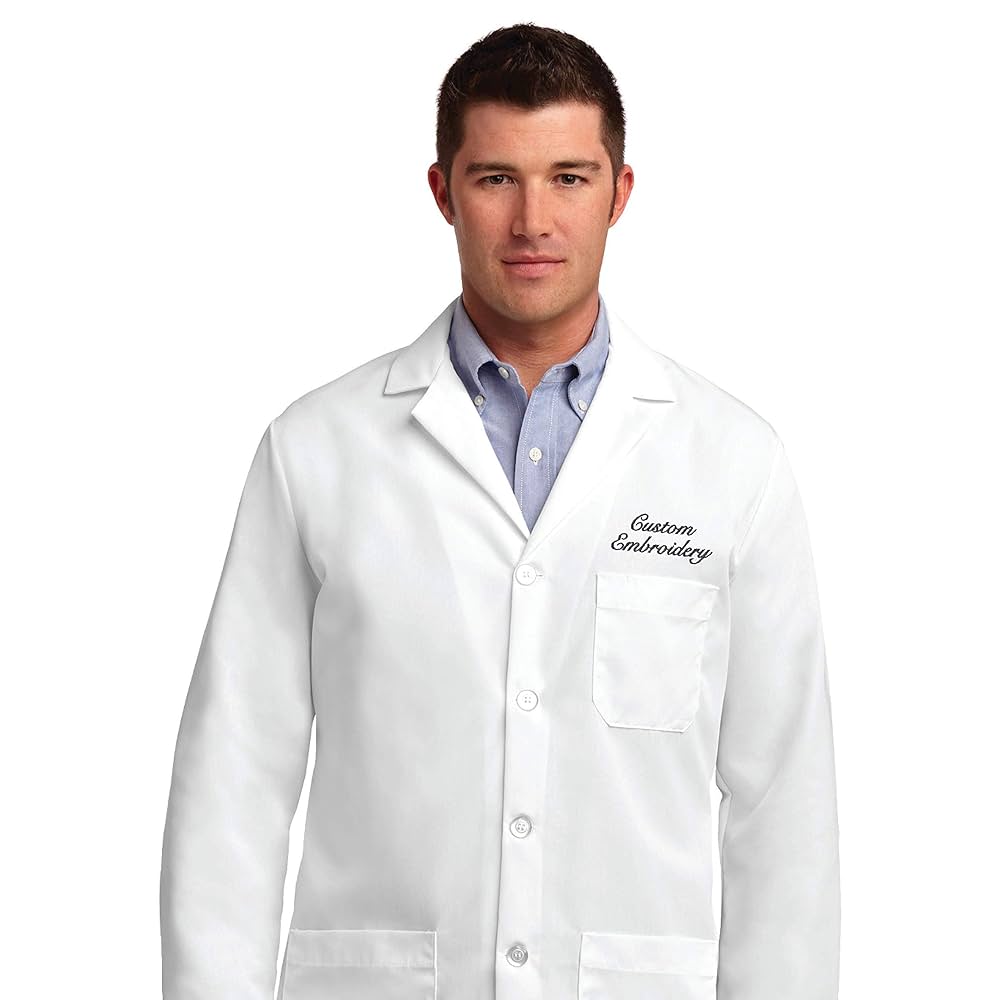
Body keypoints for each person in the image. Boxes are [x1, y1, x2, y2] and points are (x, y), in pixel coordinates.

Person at [160, 22, 840, 1000]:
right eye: (495, 179)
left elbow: (784, 808)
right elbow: (234, 782)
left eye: (568, 177)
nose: (533, 220)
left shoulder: (733, 462)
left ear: (620, 192)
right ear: (443, 191)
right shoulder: (316, 450)